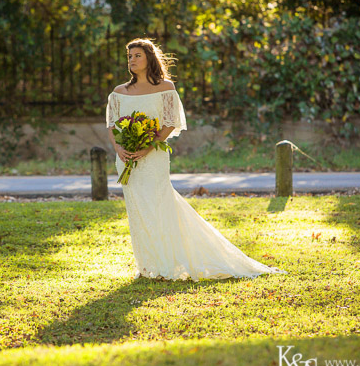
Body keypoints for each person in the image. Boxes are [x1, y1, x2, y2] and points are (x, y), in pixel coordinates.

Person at [106, 38, 287, 281]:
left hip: (153, 157)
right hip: (127, 159)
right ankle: (147, 266)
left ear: (149, 58)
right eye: (129, 56)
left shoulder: (166, 87)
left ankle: (167, 263)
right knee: (138, 210)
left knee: (160, 206)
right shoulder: (119, 92)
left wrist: (147, 147)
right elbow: (112, 124)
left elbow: (170, 123)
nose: (132, 60)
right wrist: (120, 149)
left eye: (137, 55)